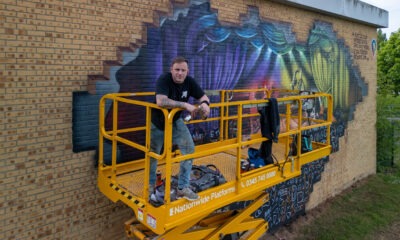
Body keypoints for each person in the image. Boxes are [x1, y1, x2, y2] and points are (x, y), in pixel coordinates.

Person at [149, 56, 210, 201]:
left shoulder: (189, 82)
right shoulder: (164, 79)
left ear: (187, 71)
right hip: (158, 122)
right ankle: (151, 185)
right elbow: (161, 101)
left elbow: (203, 96)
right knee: (153, 154)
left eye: (183, 70)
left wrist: (206, 104)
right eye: (177, 70)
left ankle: (183, 187)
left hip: (175, 121)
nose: (180, 73)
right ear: (171, 70)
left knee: (189, 150)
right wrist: (184, 105)